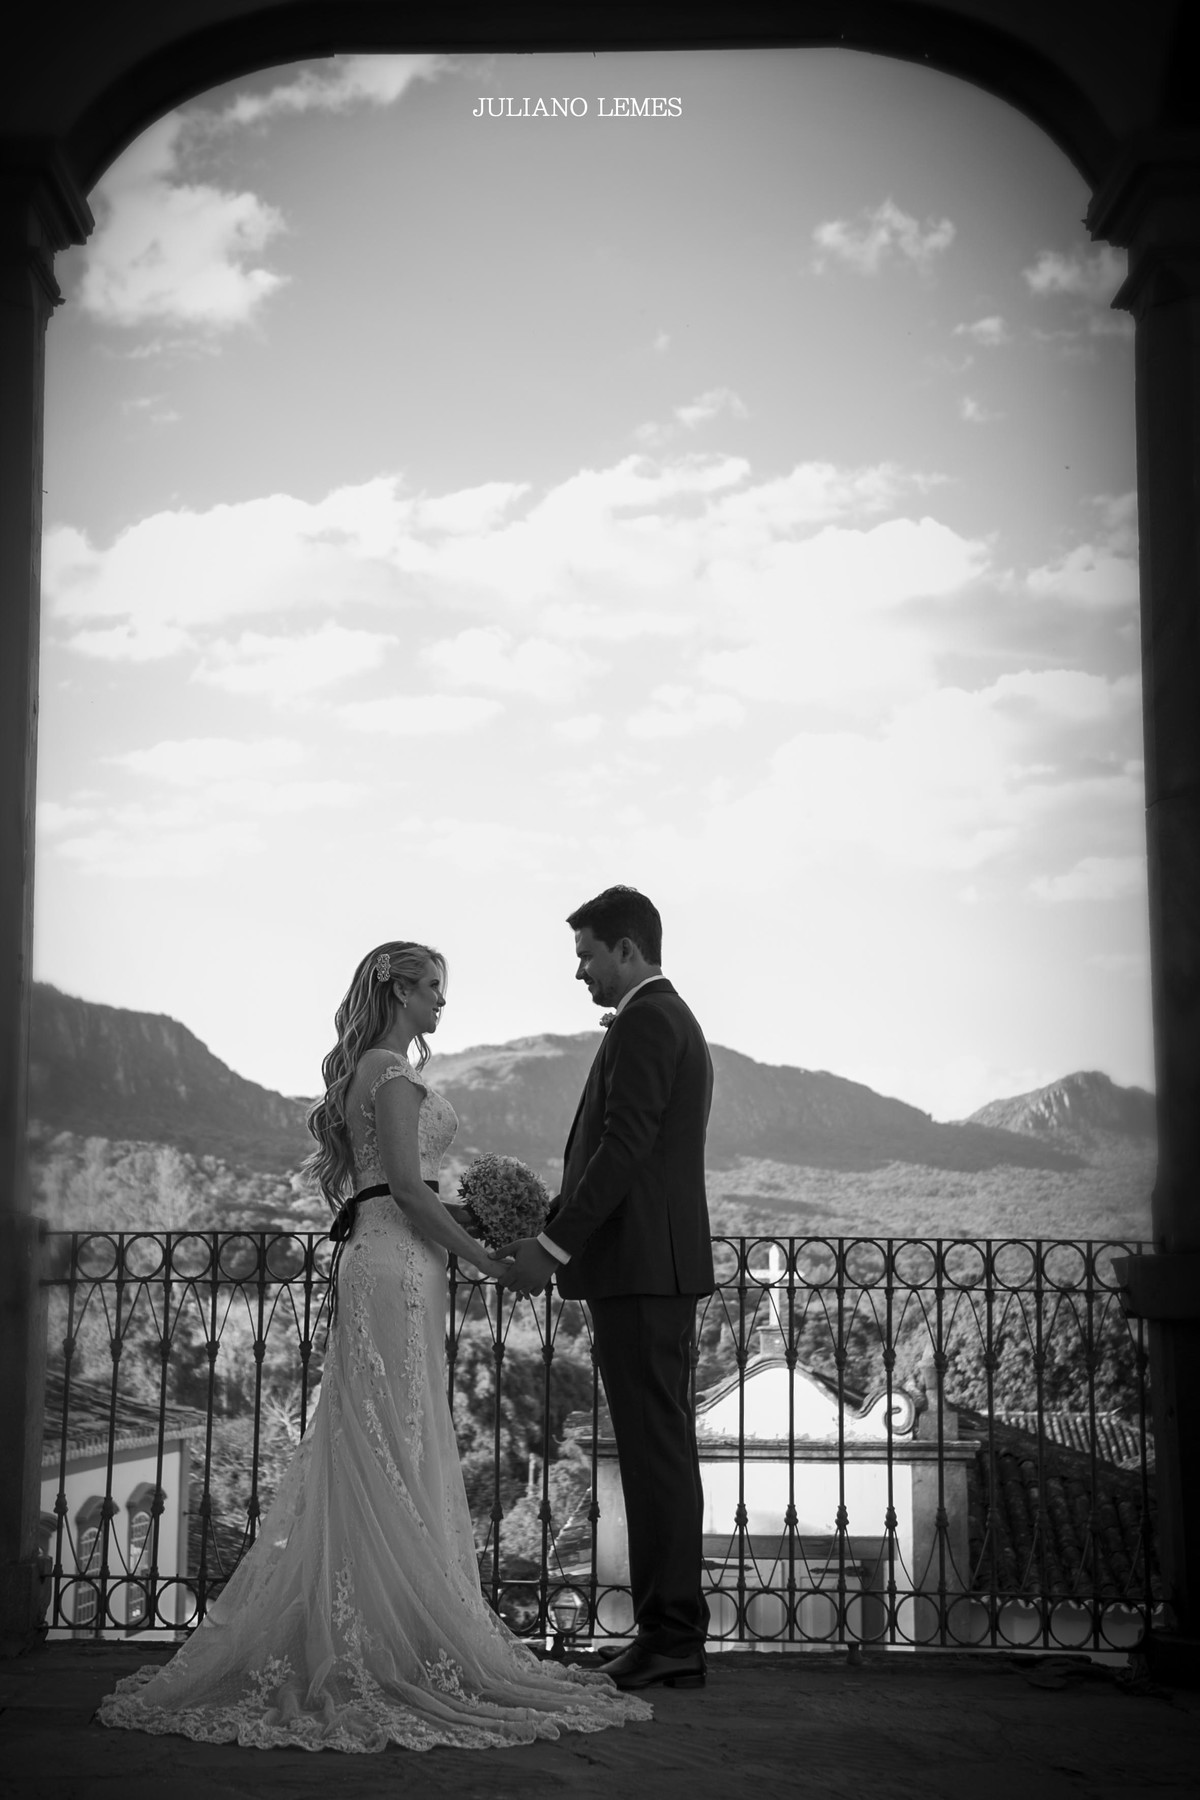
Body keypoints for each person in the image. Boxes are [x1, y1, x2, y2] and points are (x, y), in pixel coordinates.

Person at [98, 942, 652, 1753]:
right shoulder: (390, 1072)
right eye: (433, 988)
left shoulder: (382, 1069)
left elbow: (403, 1190)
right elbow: (400, 1187)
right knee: (389, 1437)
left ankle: (392, 1627)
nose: (442, 1003)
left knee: (401, 1435)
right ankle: (379, 1642)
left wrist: (477, 1221)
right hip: (393, 1267)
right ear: (397, 988)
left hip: (403, 1262)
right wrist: (488, 1258)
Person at [501, 888, 715, 1692]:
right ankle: (668, 1637)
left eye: (587, 953)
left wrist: (554, 1245)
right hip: (647, 1271)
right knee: (657, 1453)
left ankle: (670, 1639)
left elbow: (623, 1149)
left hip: (644, 1273)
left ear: (627, 949)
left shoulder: (651, 1019)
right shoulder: (658, 1018)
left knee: (657, 1457)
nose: (580, 970)